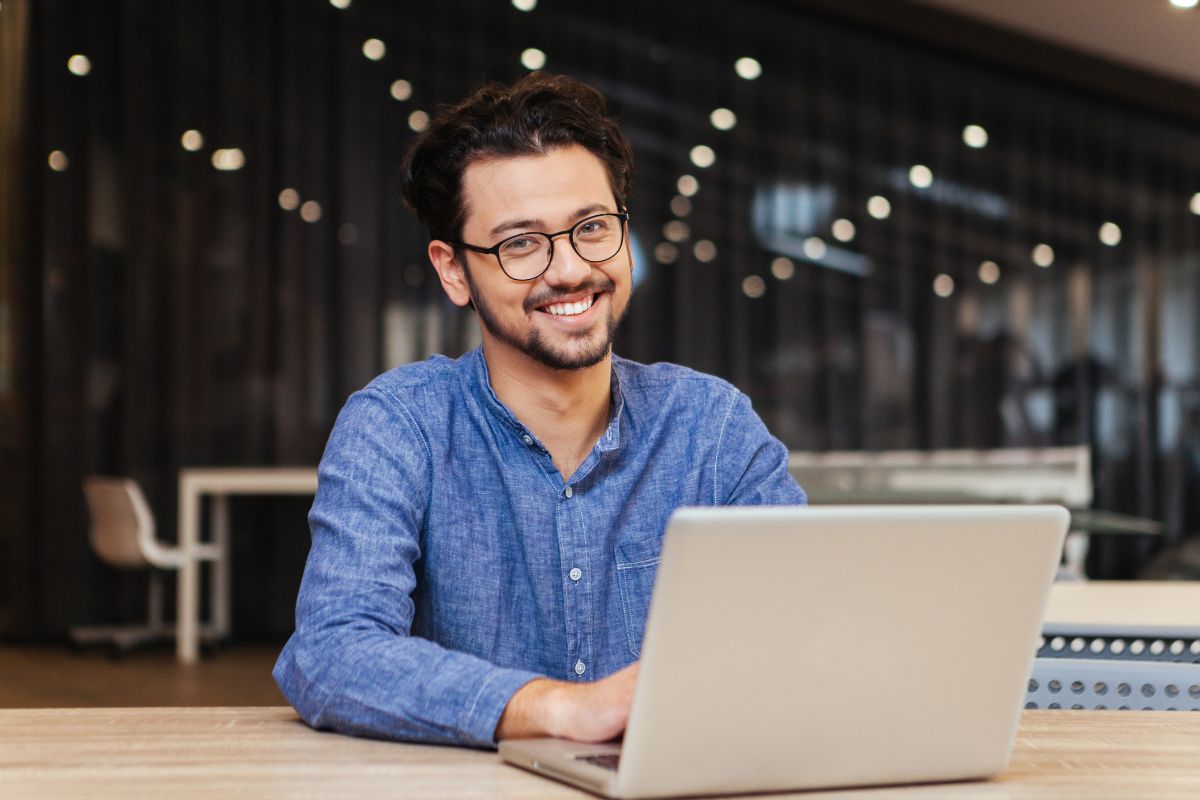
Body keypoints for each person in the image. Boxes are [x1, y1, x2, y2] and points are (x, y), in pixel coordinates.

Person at [273, 72, 806, 748]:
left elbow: (803, 629)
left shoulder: (710, 424)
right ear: (454, 270)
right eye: (521, 243)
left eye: (591, 227)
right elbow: (330, 654)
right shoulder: (398, 425)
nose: (570, 269)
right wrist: (555, 709)